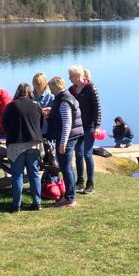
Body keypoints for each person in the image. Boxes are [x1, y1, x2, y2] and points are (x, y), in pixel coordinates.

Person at [3, 82, 44, 213]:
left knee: (17, 175)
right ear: (29, 92)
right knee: (34, 174)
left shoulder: (11, 106)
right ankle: (37, 203)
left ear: (17, 92)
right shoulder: (36, 105)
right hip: (34, 143)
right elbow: (41, 123)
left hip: (16, 144)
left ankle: (16, 205)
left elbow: (5, 124)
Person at [46, 75, 84, 207]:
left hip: (67, 138)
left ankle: (70, 198)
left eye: (51, 88)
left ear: (56, 87)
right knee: (68, 168)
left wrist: (62, 143)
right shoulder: (67, 97)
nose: (50, 91)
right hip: (72, 136)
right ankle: (70, 195)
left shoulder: (63, 101)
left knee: (66, 168)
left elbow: (67, 124)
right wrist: (51, 111)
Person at [69, 64, 101, 195]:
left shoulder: (90, 87)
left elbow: (97, 108)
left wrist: (97, 126)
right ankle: (80, 182)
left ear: (78, 76)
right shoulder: (71, 90)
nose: (69, 78)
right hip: (77, 127)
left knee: (87, 154)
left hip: (89, 127)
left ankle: (90, 183)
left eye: (71, 76)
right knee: (78, 154)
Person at [31, 72, 54, 137]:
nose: (35, 86)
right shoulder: (30, 95)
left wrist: (49, 111)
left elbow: (55, 112)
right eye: (34, 84)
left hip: (46, 129)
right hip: (33, 129)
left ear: (44, 84)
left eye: (38, 84)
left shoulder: (50, 96)